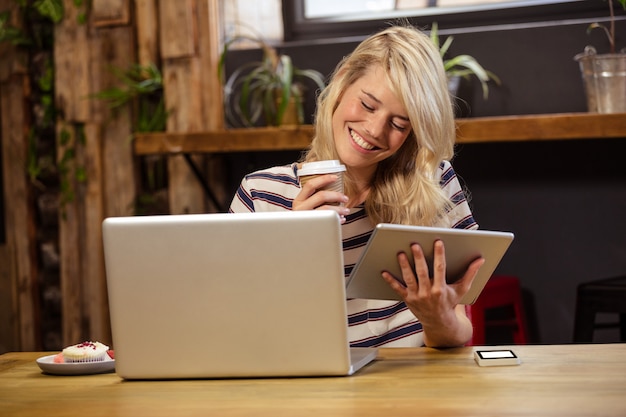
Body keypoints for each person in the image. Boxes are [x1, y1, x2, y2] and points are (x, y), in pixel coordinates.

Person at [228, 23, 485, 348]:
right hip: (315, 388)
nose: (375, 130)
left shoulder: (432, 183)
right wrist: (291, 248)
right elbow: (245, 333)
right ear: (342, 80)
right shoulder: (260, 194)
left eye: (399, 123)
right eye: (367, 105)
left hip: (410, 387)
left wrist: (437, 318)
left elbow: (460, 332)